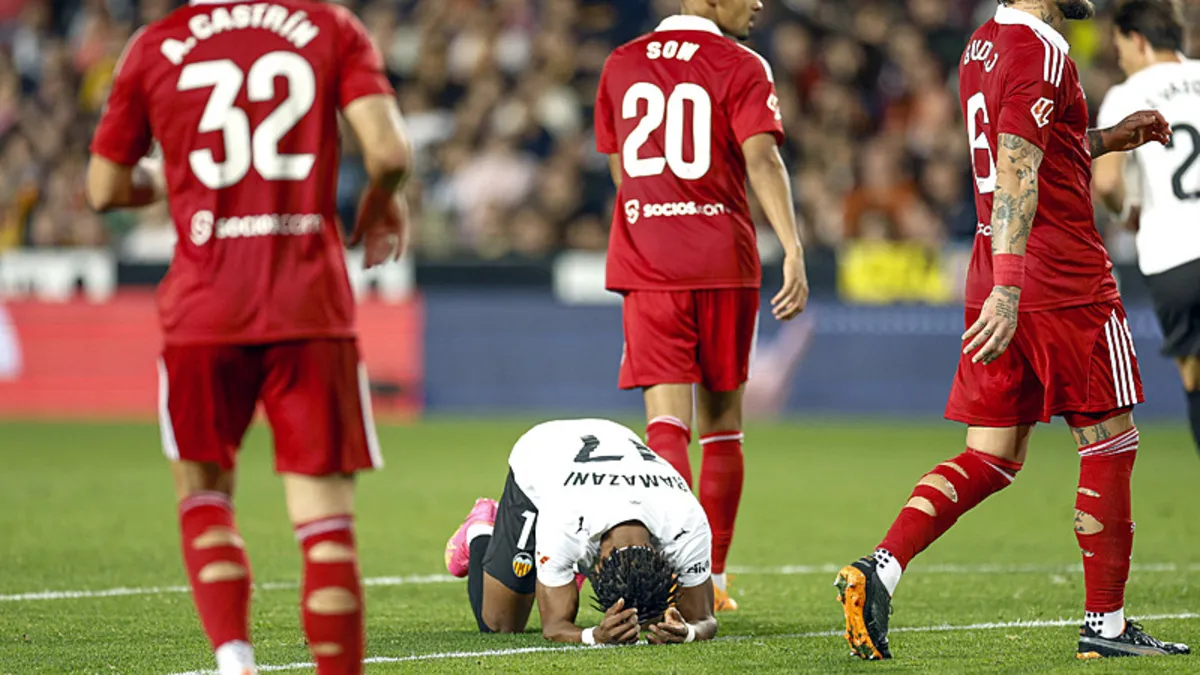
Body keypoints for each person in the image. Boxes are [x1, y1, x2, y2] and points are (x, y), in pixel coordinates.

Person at [833, 0, 1189, 661]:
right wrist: (1011, 286)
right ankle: (1106, 626)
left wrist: (1109, 138)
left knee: (990, 455)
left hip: (993, 264)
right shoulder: (1042, 49)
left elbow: (1031, 149)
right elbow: (1018, 166)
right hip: (1057, 275)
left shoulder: (982, 45)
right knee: (1110, 440)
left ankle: (880, 567)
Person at [86, 1, 412, 673]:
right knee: (325, 528)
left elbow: (103, 187)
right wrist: (383, 198)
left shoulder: (155, 45)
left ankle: (235, 661)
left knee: (204, 494)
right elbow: (388, 152)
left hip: (204, 308)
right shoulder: (329, 27)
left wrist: (173, 176)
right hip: (308, 305)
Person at [592, 0, 810, 613]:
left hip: (648, 260)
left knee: (666, 427)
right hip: (721, 259)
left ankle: (670, 582)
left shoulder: (620, 64)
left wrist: (658, 214)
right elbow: (762, 158)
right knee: (723, 426)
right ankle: (709, 580)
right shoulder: (741, 64)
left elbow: (620, 169)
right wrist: (793, 247)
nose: (759, 3)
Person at [443, 419, 718, 645]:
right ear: (596, 565)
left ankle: (565, 570)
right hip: (541, 450)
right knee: (501, 624)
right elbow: (554, 626)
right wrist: (594, 636)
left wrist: (688, 631)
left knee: (644, 616)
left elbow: (705, 618)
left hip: (612, 439)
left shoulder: (687, 523)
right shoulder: (565, 520)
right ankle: (480, 528)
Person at [1094, 0, 1200, 458]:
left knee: (1194, 377)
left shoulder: (1127, 95)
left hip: (1174, 258)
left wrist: (1125, 212)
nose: (1121, 60)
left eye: (1120, 49)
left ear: (1137, 40)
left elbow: (1107, 182)